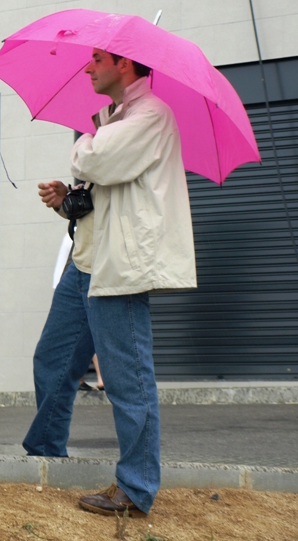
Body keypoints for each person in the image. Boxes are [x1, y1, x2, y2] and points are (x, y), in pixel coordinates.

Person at [23, 49, 196, 517]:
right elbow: (100, 192)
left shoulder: (150, 116)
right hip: (88, 262)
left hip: (118, 269)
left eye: (97, 58)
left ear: (125, 64)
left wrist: (86, 138)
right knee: (53, 364)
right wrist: (68, 199)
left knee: (128, 380)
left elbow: (96, 160)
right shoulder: (118, 118)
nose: (87, 67)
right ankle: (44, 458)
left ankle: (136, 489)